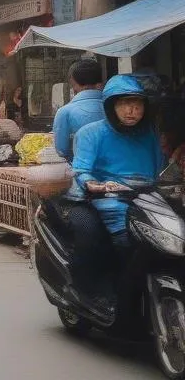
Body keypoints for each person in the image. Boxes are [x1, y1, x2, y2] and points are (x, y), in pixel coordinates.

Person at [67, 75, 165, 304]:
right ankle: (102, 289)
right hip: (106, 197)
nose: (131, 110)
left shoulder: (151, 134)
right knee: (109, 236)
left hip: (147, 197)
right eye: (124, 104)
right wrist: (96, 184)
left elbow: (161, 169)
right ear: (111, 106)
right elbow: (81, 170)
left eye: (137, 104)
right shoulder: (90, 133)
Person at [52, 58, 104, 160]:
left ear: (72, 81)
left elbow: (61, 150)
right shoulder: (115, 107)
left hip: (82, 170)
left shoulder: (64, 112)